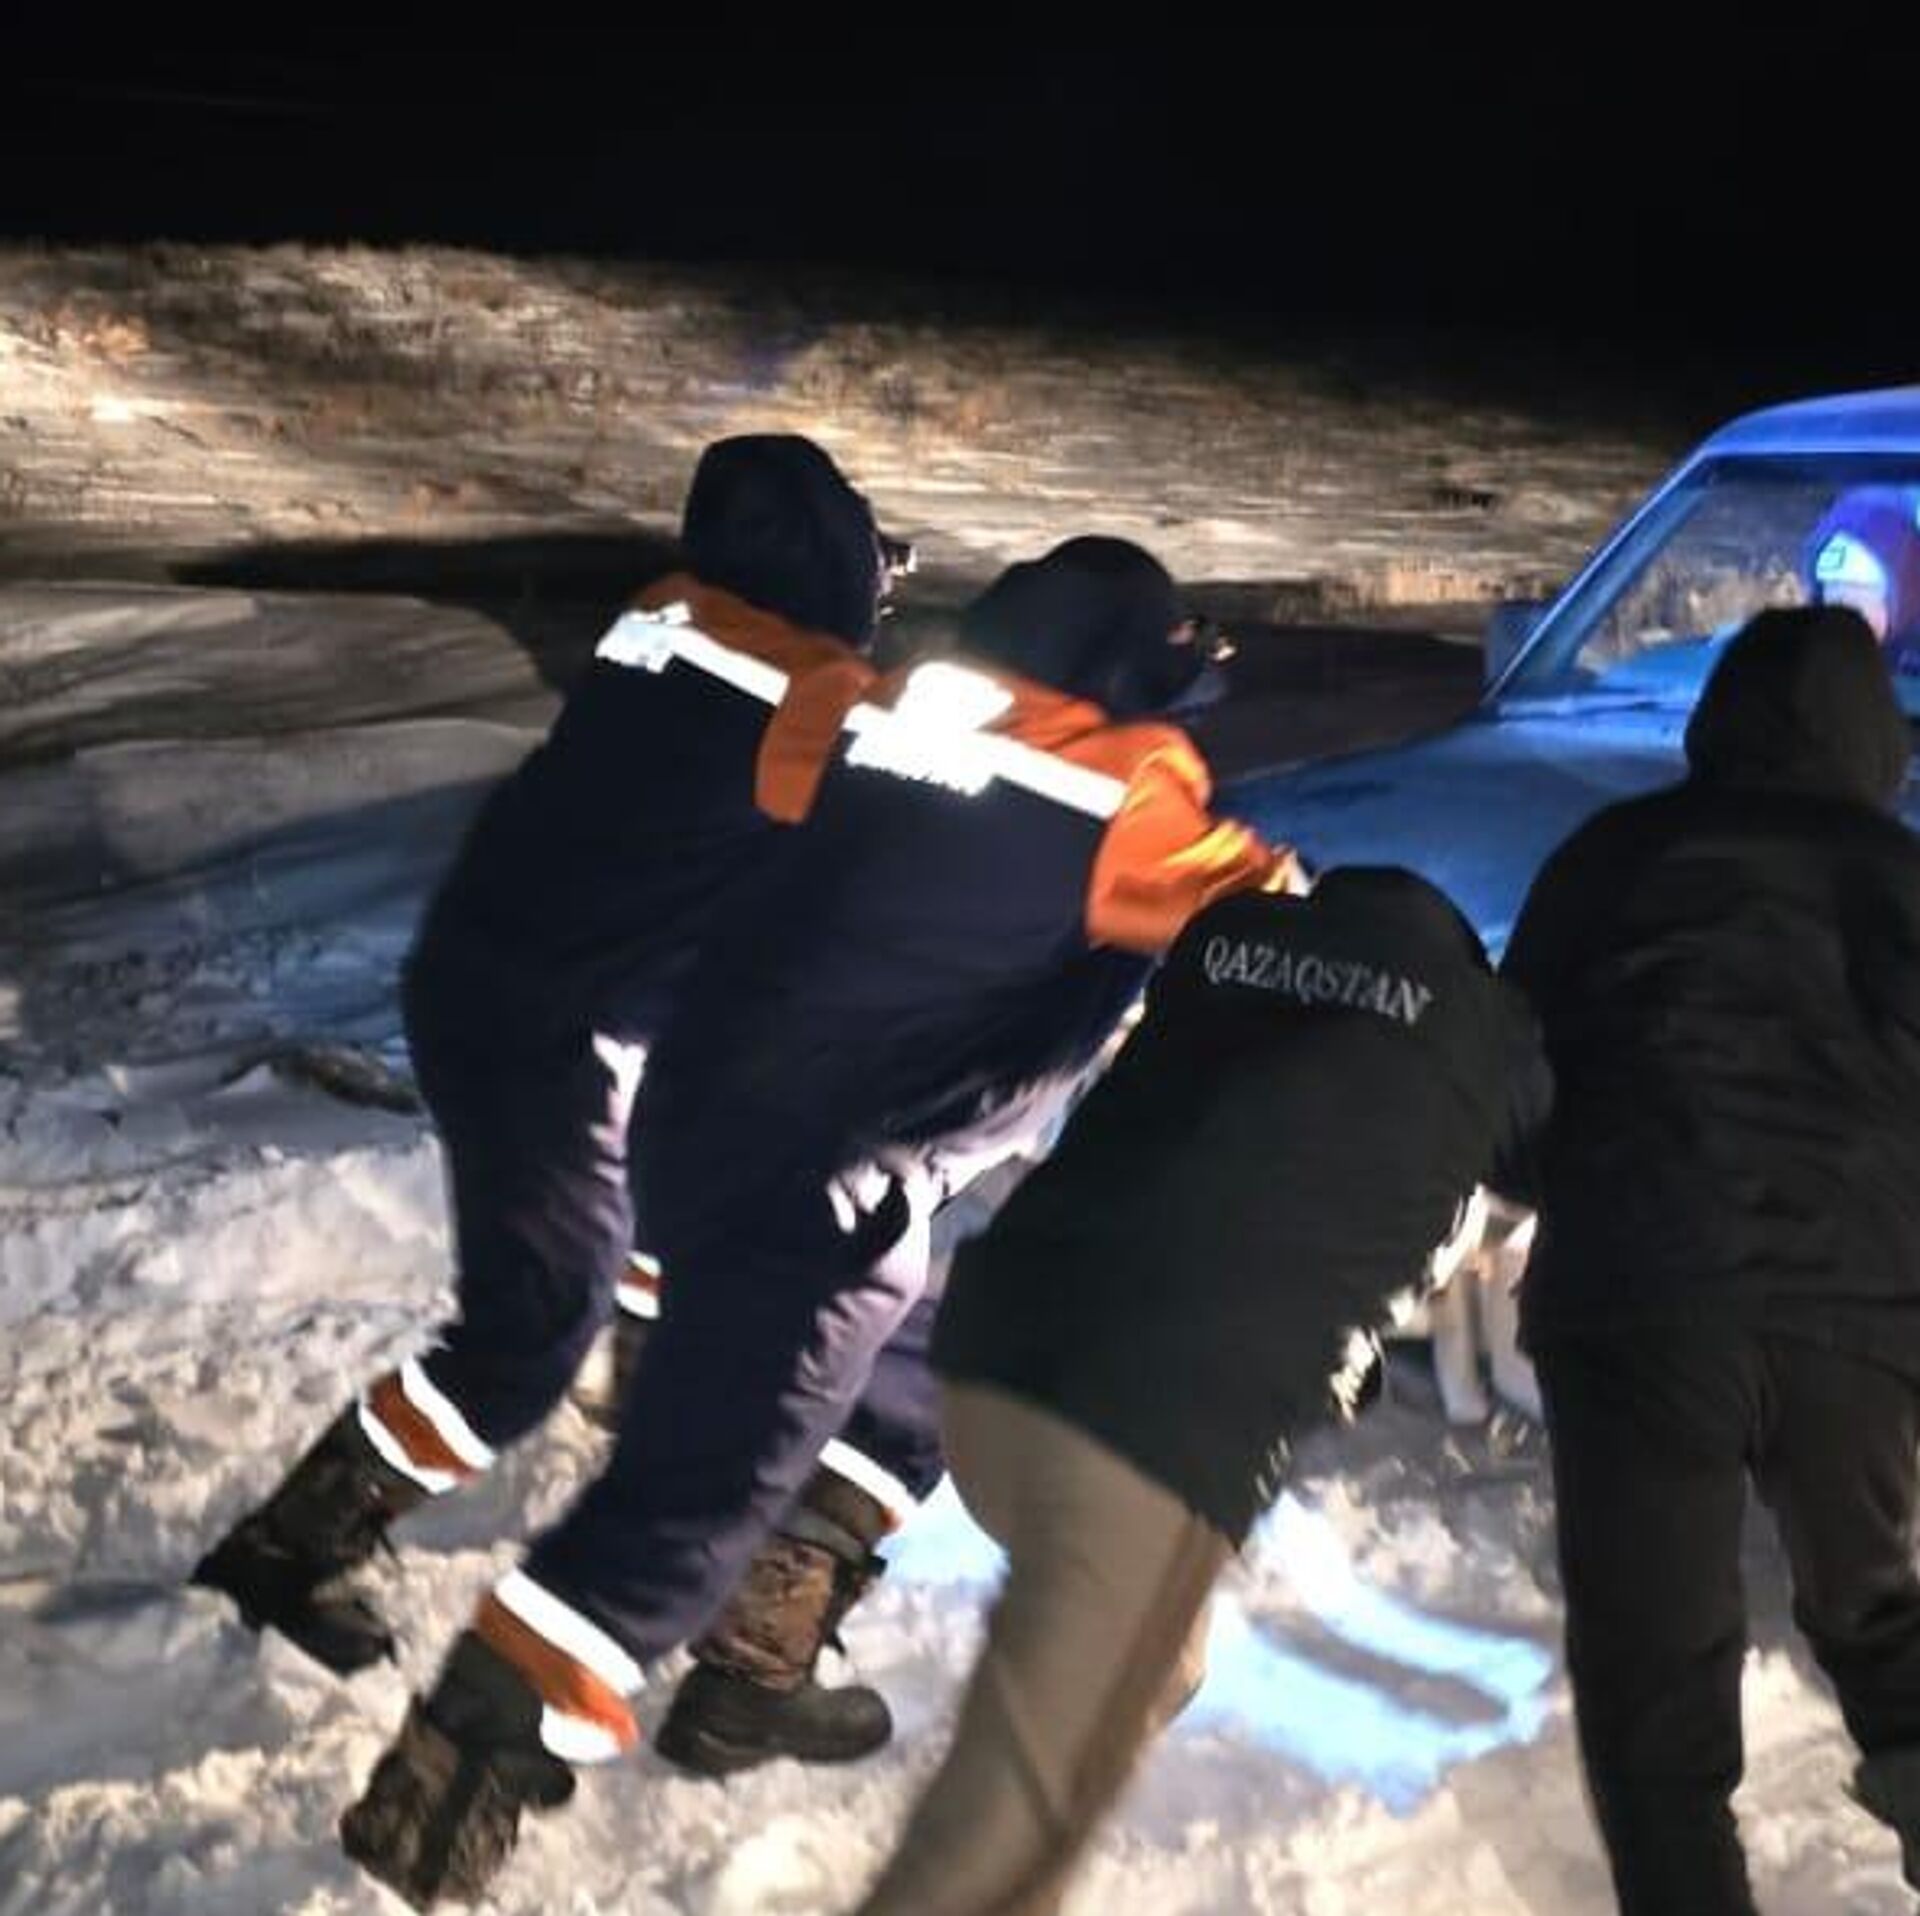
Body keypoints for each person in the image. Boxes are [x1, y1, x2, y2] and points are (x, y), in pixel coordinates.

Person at [338, 536, 1305, 1909]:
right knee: (693, 1495)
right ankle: (450, 1786)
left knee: (932, 1360)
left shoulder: (894, 704)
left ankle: (755, 1667)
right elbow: (1268, 917)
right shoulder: (1121, 784)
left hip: (706, 1108)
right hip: (819, 1175)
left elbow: (808, 789)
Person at [194, 435, 896, 1675]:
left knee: (683, 1154)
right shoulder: (814, 693)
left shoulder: (663, 614)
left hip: (498, 969)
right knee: (526, 1334)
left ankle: (638, 1387)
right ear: (835, 559)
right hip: (552, 1030)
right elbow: (883, 821)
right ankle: (287, 1548)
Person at [854, 866, 1542, 1915]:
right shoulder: (1483, 1026)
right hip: (1149, 1421)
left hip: (988, 1363)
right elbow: (1552, 1137)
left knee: (1139, 1675)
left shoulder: (1226, 939)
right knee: (1017, 1814)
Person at [1504, 604, 1920, 1913]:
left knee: (1656, 1691)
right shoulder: (1903, 879)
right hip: (1861, 1310)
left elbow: (1516, 1087)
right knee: (1884, 1622)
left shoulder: (1608, 860)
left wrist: (1563, 1180)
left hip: (1638, 1300)